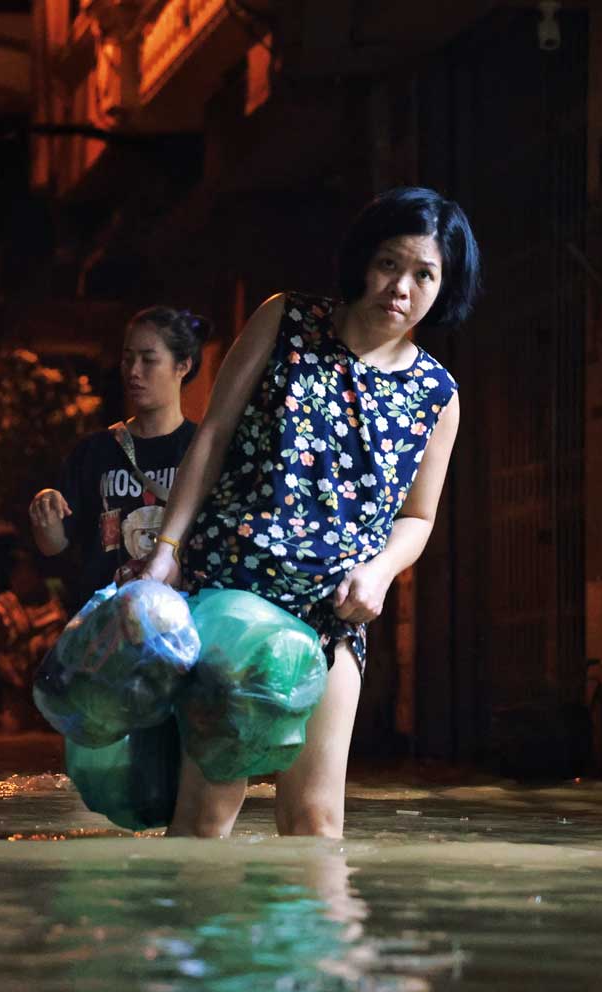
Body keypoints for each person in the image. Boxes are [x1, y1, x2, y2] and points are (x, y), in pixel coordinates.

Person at [140, 187, 476, 839]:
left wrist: (379, 574)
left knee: (316, 819)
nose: (401, 287)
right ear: (361, 261)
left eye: (424, 273)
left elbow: (419, 518)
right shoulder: (285, 320)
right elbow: (212, 434)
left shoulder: (438, 395)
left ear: (446, 285)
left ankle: (317, 946)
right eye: (389, 263)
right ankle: (186, 940)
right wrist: (168, 549)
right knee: (212, 807)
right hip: (233, 590)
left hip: (332, 612)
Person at [29, 307, 213, 609]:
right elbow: (54, 546)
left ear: (183, 365)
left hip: (185, 624)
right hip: (106, 627)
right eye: (128, 358)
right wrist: (44, 511)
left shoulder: (203, 449)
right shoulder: (94, 451)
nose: (133, 371)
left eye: (148, 359)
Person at [0, 544, 68, 731]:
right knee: (15, 729)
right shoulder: (2, 607)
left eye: (28, 573)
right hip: (19, 685)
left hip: (55, 685)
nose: (24, 579)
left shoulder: (55, 599)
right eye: (18, 574)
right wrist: (18, 684)